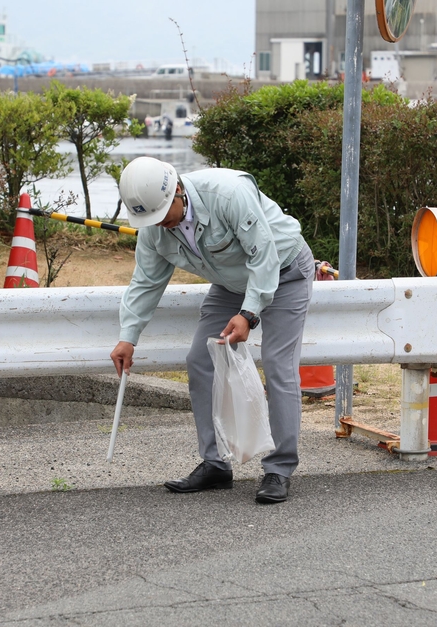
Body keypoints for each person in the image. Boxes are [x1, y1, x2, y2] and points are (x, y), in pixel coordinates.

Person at [110, 157, 314, 504]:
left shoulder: (229, 193)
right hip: (231, 283)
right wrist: (128, 336)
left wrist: (249, 314)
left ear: (177, 189)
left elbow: (263, 255)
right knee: (199, 359)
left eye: (163, 214)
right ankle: (215, 463)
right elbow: (145, 282)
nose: (160, 224)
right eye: (151, 220)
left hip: (284, 271)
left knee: (278, 364)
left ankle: (279, 469)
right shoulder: (154, 228)